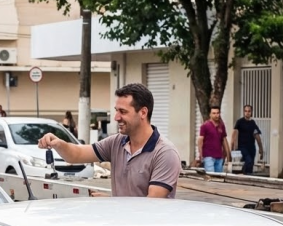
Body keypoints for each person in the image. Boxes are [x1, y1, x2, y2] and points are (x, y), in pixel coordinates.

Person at [38, 83, 181, 198]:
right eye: (116, 110)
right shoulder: (116, 142)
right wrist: (59, 143)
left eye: (123, 112)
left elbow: (151, 204)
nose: (116, 117)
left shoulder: (165, 153)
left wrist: (112, 202)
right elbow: (77, 154)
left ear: (143, 112)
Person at [196, 105, 230, 173]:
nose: (216, 115)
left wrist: (227, 154)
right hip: (208, 156)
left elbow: (224, 140)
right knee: (210, 176)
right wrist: (200, 153)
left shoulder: (221, 126)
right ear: (210, 114)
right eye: (214, 113)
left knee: (218, 177)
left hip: (219, 156)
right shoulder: (205, 126)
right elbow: (200, 140)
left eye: (217, 113)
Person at [232, 105, 265, 175]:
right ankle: (242, 172)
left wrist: (261, 149)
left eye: (249, 111)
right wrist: (232, 147)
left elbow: (257, 136)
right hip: (242, 147)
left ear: (251, 112)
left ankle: (247, 177)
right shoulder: (240, 122)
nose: (247, 113)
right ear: (243, 112)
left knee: (250, 165)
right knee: (249, 161)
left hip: (251, 148)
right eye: (246, 111)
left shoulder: (253, 123)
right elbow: (234, 134)